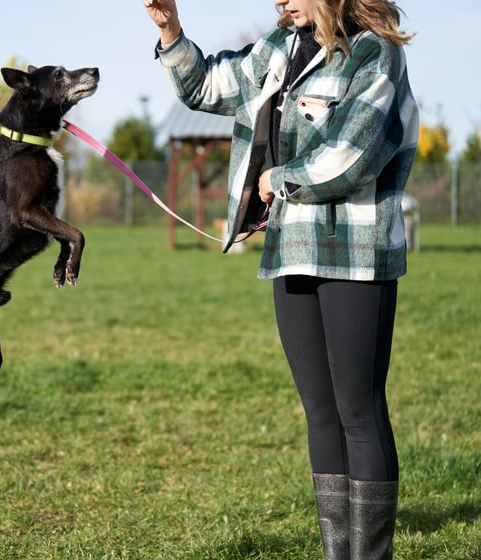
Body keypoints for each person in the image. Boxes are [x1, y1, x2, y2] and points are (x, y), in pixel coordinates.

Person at [142, 0, 418, 558]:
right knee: (320, 414)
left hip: (355, 254)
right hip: (291, 249)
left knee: (359, 413)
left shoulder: (375, 54)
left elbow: (353, 154)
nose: (278, 2)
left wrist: (279, 178)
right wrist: (170, 27)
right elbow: (205, 87)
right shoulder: (280, 48)